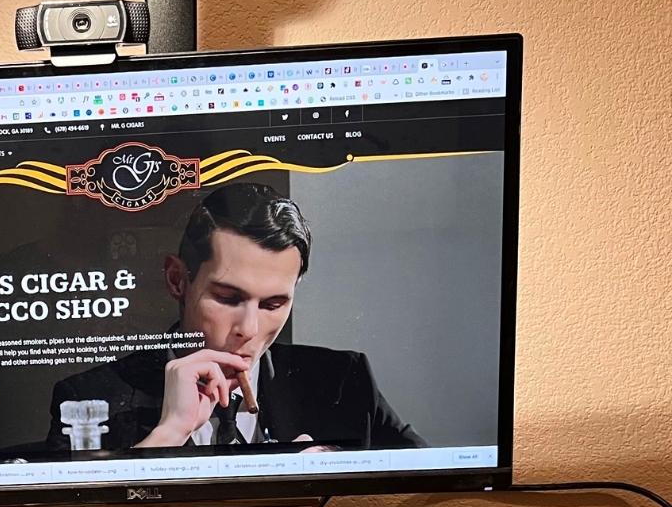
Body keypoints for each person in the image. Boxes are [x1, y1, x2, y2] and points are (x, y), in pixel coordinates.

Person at [45, 183, 425, 452]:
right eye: (228, 298)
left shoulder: (345, 380)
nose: (250, 329)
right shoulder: (88, 398)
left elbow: (437, 498)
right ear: (178, 280)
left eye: (274, 304)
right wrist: (168, 434)